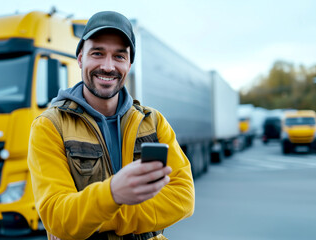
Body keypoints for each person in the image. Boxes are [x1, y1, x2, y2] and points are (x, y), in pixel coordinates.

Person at [27, 11, 194, 240]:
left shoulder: (154, 122)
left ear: (129, 64)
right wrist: (114, 192)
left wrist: (102, 215)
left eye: (119, 56)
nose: (108, 66)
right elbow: (58, 217)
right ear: (80, 58)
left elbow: (184, 199)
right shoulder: (50, 126)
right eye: (97, 53)